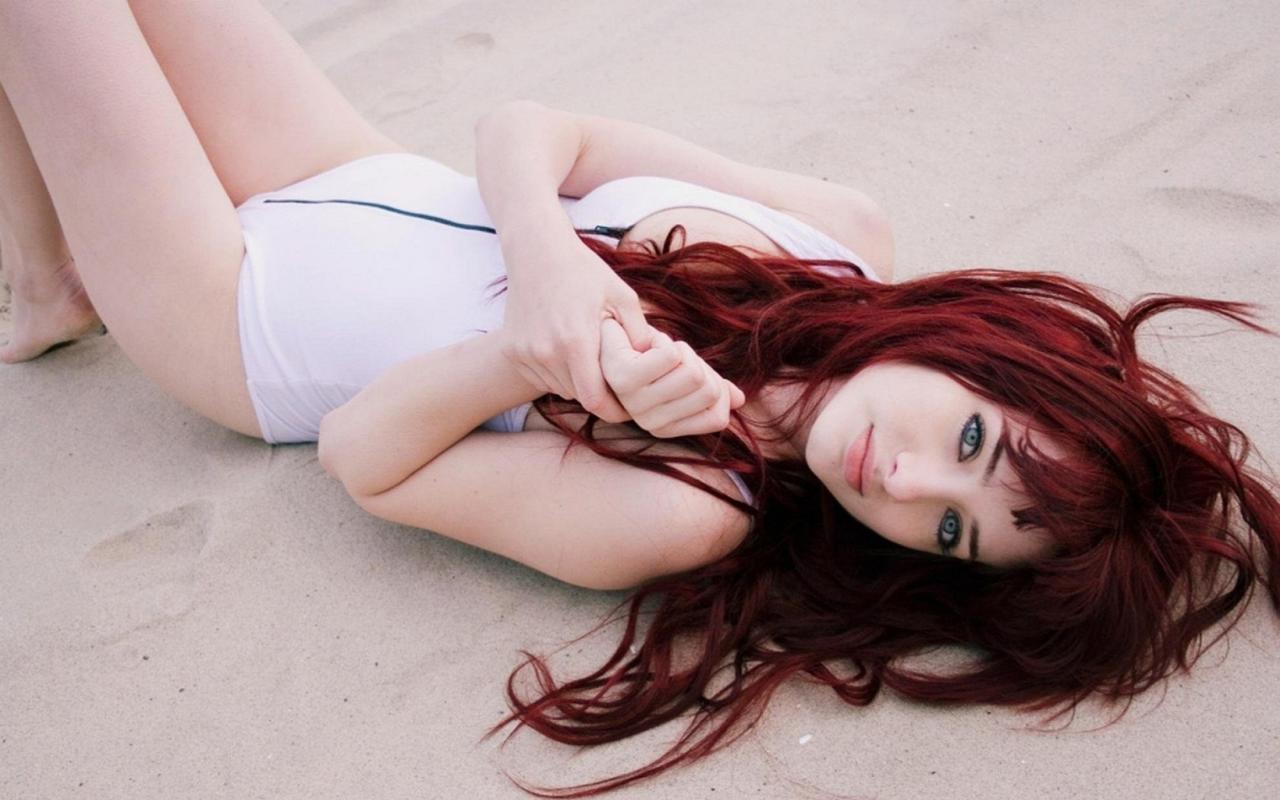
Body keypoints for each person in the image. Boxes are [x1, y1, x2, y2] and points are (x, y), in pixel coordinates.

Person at [2, 2, 1277, 796]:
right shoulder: (838, 234)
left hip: (236, 309)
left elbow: (361, 454)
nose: (907, 480)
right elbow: (535, 128)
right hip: (347, 170)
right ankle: (49, 278)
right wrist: (548, 263)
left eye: (950, 528)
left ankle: (60, 276)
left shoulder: (688, 502)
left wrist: (528, 359)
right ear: (980, 359)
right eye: (969, 437)